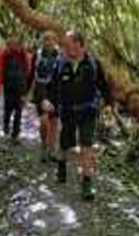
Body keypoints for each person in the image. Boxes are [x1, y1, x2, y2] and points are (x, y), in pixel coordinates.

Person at [46, 28, 110, 201]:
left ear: (79, 45)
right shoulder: (61, 64)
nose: (64, 49)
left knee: (86, 144)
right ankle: (61, 164)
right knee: (66, 144)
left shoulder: (93, 64)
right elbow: (52, 86)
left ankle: (87, 183)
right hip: (67, 110)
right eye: (64, 46)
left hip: (88, 110)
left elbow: (104, 86)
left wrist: (109, 105)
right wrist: (47, 100)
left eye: (67, 45)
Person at [30, 32, 61, 163]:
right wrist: (25, 92)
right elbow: (32, 73)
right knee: (44, 120)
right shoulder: (37, 55)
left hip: (56, 91)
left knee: (54, 122)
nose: (49, 42)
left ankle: (52, 150)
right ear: (43, 41)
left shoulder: (61, 56)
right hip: (41, 90)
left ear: (55, 41)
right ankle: (44, 146)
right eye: (46, 39)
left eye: (52, 39)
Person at [0, 36, 31, 140]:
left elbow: (28, 69)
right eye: (11, 44)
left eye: (16, 44)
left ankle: (15, 133)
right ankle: (6, 128)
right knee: (8, 109)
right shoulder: (3, 55)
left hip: (20, 87)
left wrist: (26, 86)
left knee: (19, 110)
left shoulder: (23, 54)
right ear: (8, 45)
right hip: (9, 87)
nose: (13, 47)